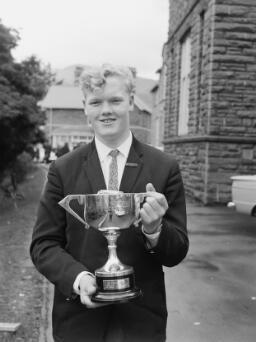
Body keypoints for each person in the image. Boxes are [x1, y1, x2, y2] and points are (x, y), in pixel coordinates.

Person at [30, 64, 189, 342]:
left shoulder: (164, 168)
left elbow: (176, 254)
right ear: (85, 107)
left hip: (142, 322)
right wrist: (79, 279)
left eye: (115, 100)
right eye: (96, 102)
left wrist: (154, 230)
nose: (106, 110)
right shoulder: (62, 170)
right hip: (79, 322)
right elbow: (43, 244)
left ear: (130, 101)